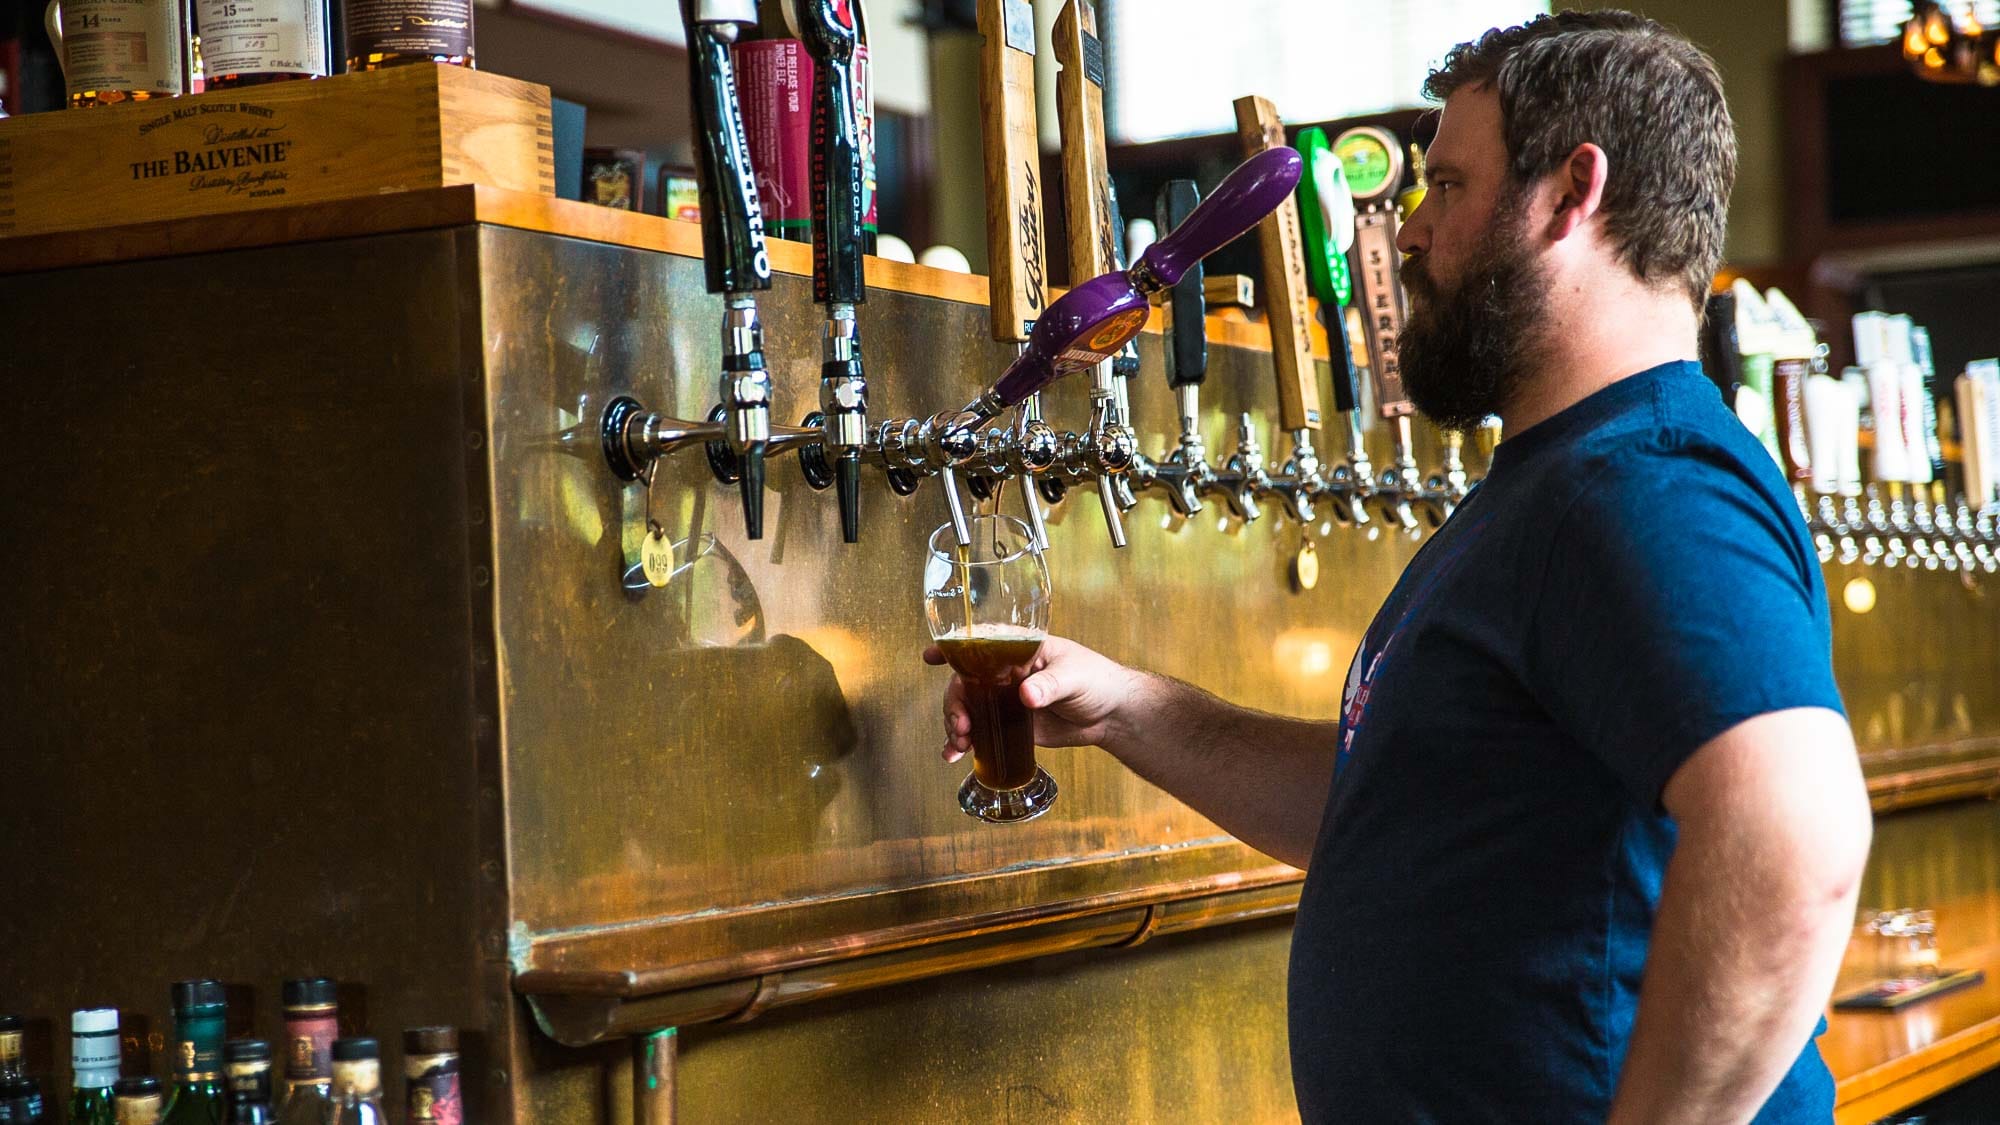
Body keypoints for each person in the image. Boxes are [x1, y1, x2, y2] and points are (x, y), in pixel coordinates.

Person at [924, 11, 1872, 1122]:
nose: (1410, 234)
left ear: (1572, 193)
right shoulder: (1549, 488)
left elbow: (1794, 839)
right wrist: (1130, 709)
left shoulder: (1639, 485)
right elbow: (1398, 804)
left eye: (1445, 186)